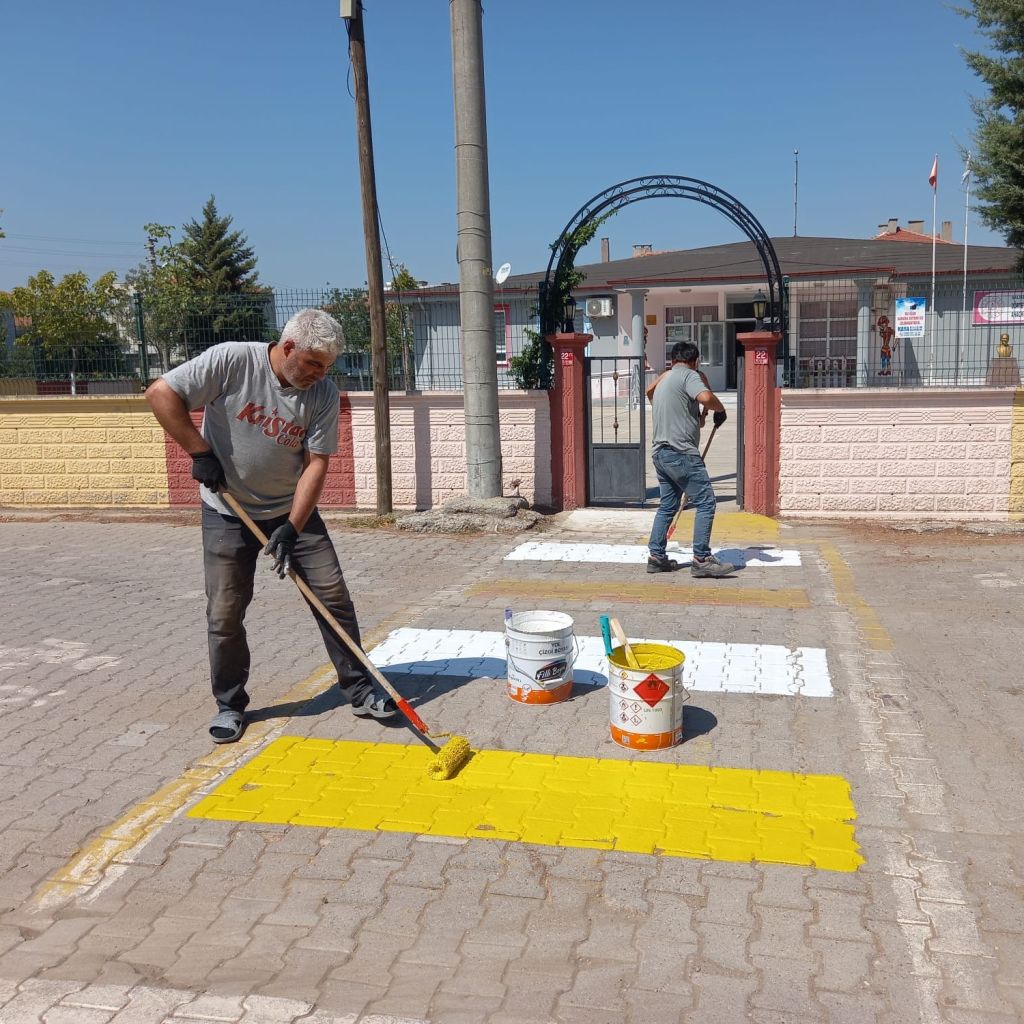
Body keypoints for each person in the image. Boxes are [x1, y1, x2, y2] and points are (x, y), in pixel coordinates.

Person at [145, 308, 397, 744]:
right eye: (313, 363)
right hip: (227, 510)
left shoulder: (322, 395)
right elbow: (160, 393)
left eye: (326, 367)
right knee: (225, 611)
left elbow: (317, 464)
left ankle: (358, 690)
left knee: (332, 597)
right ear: (288, 347)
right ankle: (230, 705)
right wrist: (199, 452)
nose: (319, 374)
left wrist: (293, 528)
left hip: (290, 511)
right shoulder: (231, 361)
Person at [645, 341, 736, 578]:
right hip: (681, 453)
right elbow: (706, 396)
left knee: (667, 505)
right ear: (695, 361)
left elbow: (649, 392)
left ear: (672, 361)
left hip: (661, 454)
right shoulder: (689, 375)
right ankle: (702, 559)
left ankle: (656, 557)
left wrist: (696, 415)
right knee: (706, 502)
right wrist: (720, 408)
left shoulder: (665, 378)